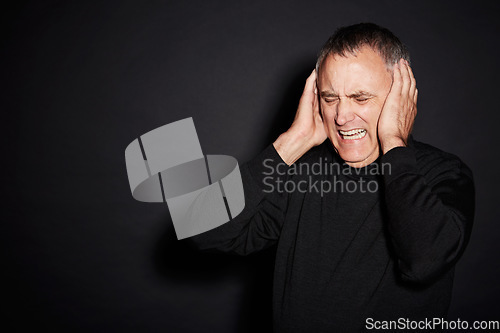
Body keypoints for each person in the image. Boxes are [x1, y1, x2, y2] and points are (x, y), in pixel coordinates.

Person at [189, 23, 475, 332]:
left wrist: (394, 142)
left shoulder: (444, 173)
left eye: (360, 97)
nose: (341, 116)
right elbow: (202, 231)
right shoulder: (302, 173)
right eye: (330, 98)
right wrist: (291, 143)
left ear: (399, 97)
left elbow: (424, 263)